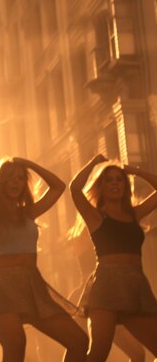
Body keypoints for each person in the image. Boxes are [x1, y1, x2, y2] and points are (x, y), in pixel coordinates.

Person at [0, 157, 88, 362]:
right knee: (16, 345)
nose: (16, 182)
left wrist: (29, 165)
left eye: (20, 178)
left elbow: (58, 186)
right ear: (0, 183)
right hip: (1, 288)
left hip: (32, 285)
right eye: (10, 178)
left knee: (79, 341)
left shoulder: (29, 213)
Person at [70, 154, 157, 361]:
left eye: (119, 179)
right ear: (101, 186)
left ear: (125, 185)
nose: (114, 183)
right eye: (108, 180)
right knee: (98, 353)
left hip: (135, 286)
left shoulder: (134, 214)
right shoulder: (95, 216)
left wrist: (134, 171)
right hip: (107, 287)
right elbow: (74, 189)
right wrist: (93, 163)